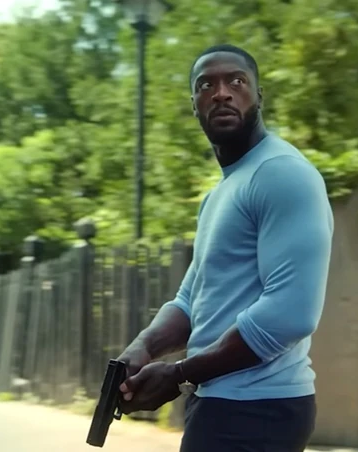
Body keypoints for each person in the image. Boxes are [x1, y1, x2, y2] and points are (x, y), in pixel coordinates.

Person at [116, 44, 334, 452]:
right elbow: (191, 300)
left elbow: (291, 314)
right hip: (220, 405)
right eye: (206, 85)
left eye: (236, 81)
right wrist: (144, 346)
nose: (221, 93)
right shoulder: (221, 193)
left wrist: (179, 373)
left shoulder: (281, 173)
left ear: (258, 95)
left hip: (258, 411)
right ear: (194, 105)